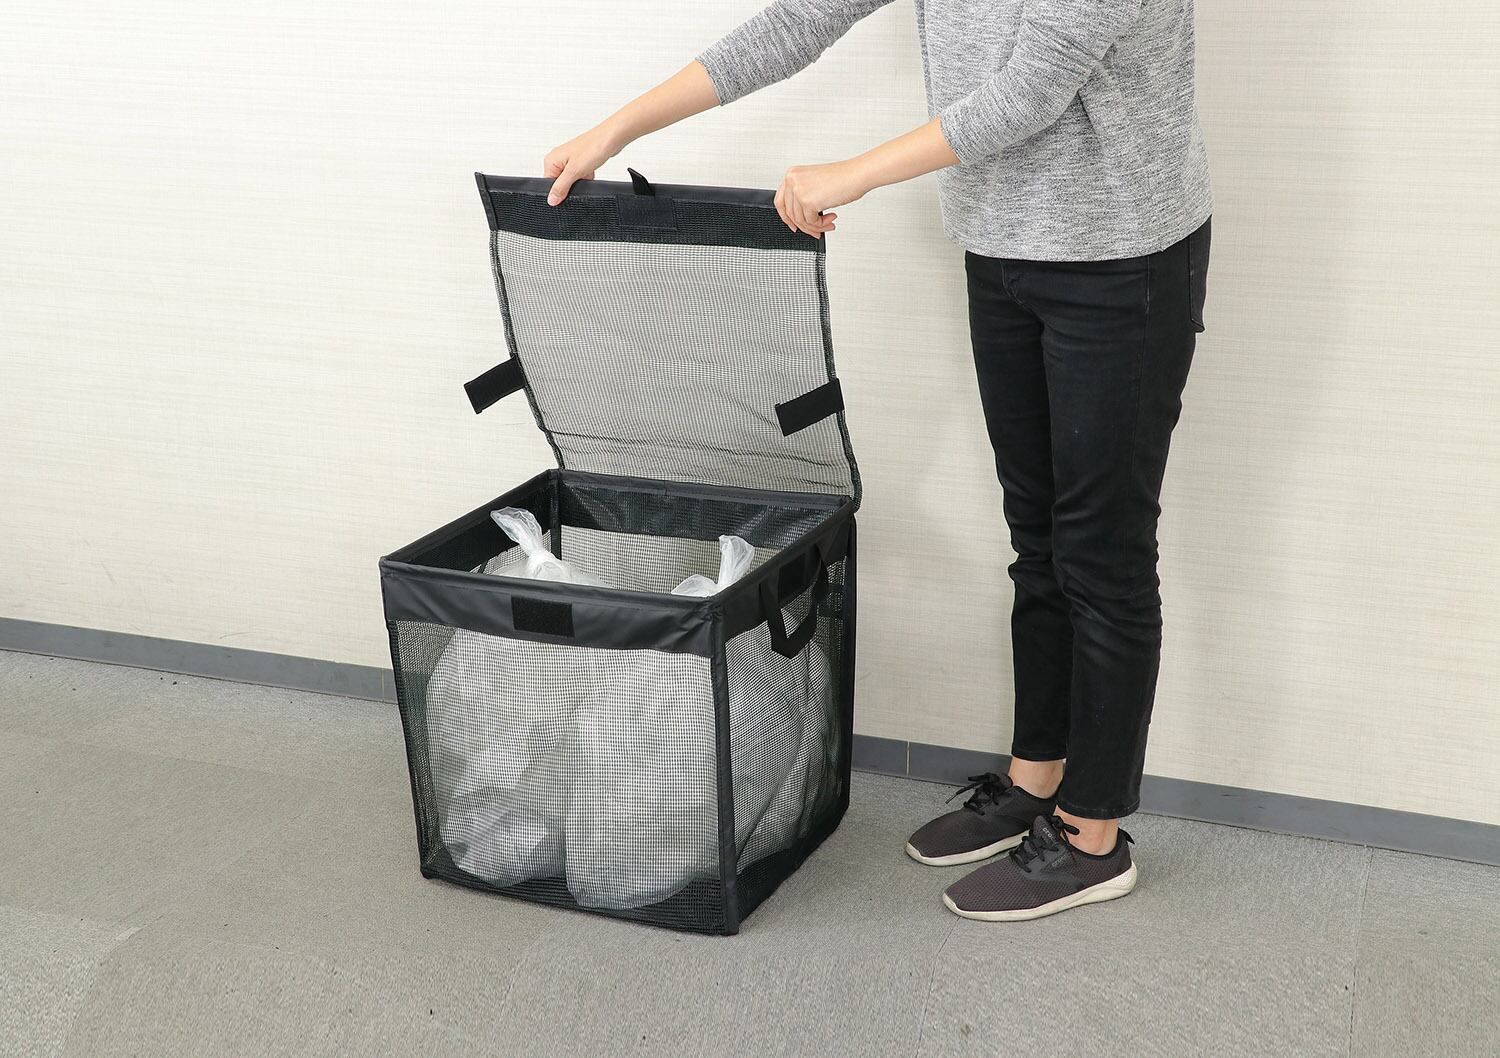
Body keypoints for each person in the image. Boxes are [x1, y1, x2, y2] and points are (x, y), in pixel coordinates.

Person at [543, 0, 1211, 921]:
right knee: (1039, 537)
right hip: (998, 244)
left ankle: (1094, 835)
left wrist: (851, 174)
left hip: (1119, 257)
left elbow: (1029, 93)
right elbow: (801, 19)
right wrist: (616, 129)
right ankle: (1037, 781)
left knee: (1103, 551)